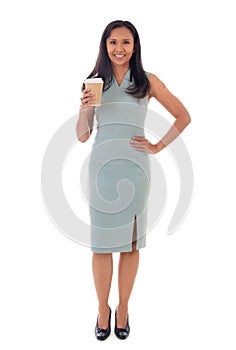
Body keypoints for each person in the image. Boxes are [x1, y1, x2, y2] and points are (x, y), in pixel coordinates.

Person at [76, 20, 191, 341]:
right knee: (100, 246)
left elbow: (184, 115)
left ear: (135, 46)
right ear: (105, 45)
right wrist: (84, 109)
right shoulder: (94, 82)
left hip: (136, 169)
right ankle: (103, 309)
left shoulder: (147, 81)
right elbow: (83, 136)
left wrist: (157, 146)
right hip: (101, 169)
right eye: (113, 42)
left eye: (126, 42)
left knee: (129, 245)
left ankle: (123, 308)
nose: (119, 48)